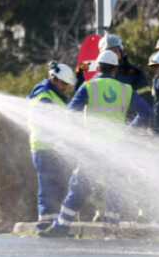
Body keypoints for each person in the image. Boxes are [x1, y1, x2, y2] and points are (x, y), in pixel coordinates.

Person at [39, 50, 151, 238]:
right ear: (115, 69)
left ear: (98, 67)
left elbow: (70, 114)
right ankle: (111, 232)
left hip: (92, 148)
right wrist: (128, 132)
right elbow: (146, 113)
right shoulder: (126, 90)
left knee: (78, 187)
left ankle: (62, 227)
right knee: (114, 189)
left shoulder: (88, 87)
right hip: (117, 148)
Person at [27, 61, 74, 233]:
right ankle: (45, 224)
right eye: (63, 83)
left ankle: (53, 224)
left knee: (58, 185)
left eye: (67, 85)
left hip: (54, 148)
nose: (65, 87)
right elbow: (46, 122)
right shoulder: (45, 96)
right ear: (53, 78)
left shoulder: (55, 96)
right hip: (44, 147)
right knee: (48, 186)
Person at [77, 34, 152, 106]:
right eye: (108, 52)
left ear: (121, 53)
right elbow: (80, 98)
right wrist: (79, 74)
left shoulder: (134, 73)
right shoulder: (94, 72)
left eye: (115, 51)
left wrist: (135, 119)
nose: (112, 55)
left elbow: (146, 102)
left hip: (127, 118)